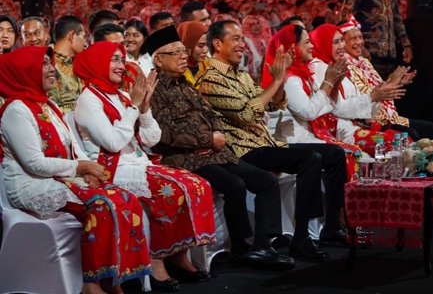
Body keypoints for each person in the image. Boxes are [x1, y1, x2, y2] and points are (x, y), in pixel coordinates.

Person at [0, 46, 151, 294]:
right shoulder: (16, 110)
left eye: (51, 64)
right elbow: (34, 163)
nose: (52, 70)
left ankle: (115, 278)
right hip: (33, 184)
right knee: (103, 205)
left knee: (126, 198)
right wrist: (80, 167)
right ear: (24, 71)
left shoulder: (49, 105)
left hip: (63, 178)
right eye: (44, 65)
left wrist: (87, 169)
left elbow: (72, 147)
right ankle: (92, 283)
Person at [143, 25, 294, 269]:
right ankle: (241, 246)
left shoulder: (186, 83)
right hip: (186, 158)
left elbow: (209, 113)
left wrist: (217, 133)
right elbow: (164, 135)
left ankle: (263, 245)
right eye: (177, 53)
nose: (185, 57)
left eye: (184, 52)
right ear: (159, 59)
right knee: (235, 185)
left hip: (216, 152)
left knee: (265, 180)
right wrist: (207, 140)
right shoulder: (154, 90)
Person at [73, 41, 215, 291]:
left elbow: (152, 139)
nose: (120, 66)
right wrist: (135, 107)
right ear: (97, 63)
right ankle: (156, 259)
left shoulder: (121, 95)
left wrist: (145, 109)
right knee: (169, 192)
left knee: (196, 184)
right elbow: (113, 142)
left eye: (120, 59)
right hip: (111, 167)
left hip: (138, 161)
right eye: (113, 60)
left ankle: (177, 254)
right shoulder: (88, 100)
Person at [199, 20, 348, 251]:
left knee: (334, 154)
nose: (242, 44)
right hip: (243, 149)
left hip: (266, 142)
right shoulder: (210, 79)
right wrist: (280, 79)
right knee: (311, 159)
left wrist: (278, 79)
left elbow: (272, 105)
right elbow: (248, 114)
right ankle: (301, 236)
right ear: (217, 44)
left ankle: (326, 228)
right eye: (236, 39)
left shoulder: (240, 74)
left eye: (241, 38)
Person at [262, 24, 361, 181]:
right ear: (293, 48)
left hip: (310, 136)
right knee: (339, 153)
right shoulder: (289, 78)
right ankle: (337, 204)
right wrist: (328, 83)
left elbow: (325, 108)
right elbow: (308, 112)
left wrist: (332, 88)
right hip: (292, 140)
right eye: (307, 42)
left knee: (349, 151)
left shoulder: (303, 73)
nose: (312, 46)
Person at [340, 16, 433, 141]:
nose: (359, 42)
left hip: (388, 117)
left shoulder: (364, 62)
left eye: (360, 37)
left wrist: (395, 82)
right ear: (342, 42)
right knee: (412, 134)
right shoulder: (343, 66)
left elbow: (378, 89)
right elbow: (366, 97)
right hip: (368, 121)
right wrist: (391, 83)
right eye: (353, 38)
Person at [310, 24, 406, 156]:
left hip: (354, 126)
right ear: (323, 43)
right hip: (337, 132)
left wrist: (379, 93)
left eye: (342, 40)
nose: (342, 46)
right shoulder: (319, 69)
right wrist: (372, 97)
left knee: (402, 139)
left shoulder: (336, 65)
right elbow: (336, 109)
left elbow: (357, 103)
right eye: (336, 42)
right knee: (392, 143)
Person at [48, 15, 87, 113]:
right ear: (72, 36)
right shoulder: (48, 64)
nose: (85, 43)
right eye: (83, 37)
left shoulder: (78, 64)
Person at [176, 21, 210, 88]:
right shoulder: (174, 71)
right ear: (187, 44)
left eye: (207, 44)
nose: (206, 50)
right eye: (200, 46)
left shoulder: (208, 64)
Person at [241, 15, 272, 83]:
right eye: (252, 24)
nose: (256, 26)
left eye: (258, 23)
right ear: (247, 26)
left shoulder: (264, 39)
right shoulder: (244, 41)